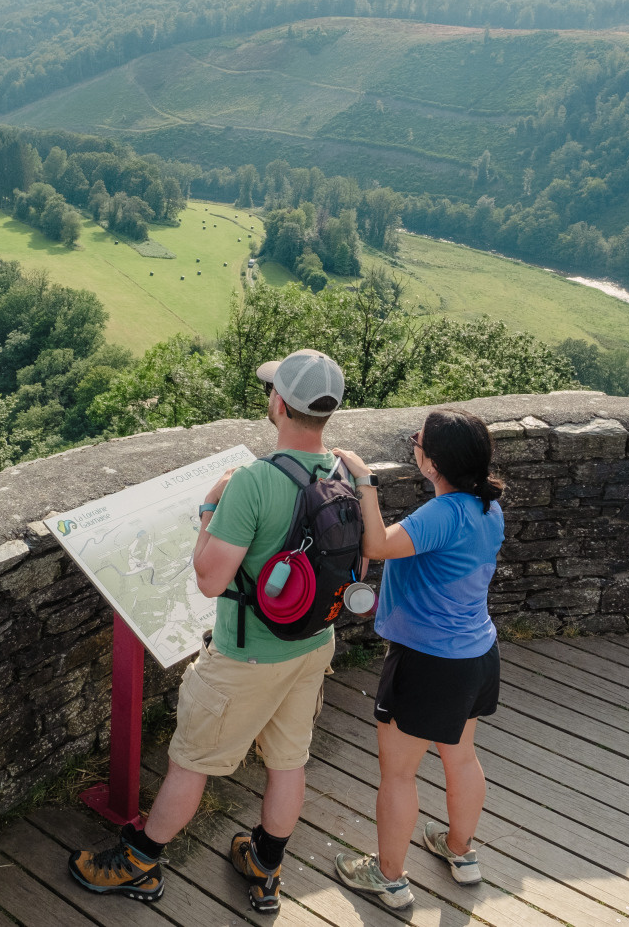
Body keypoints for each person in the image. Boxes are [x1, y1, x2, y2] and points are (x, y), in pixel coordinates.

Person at [69, 349, 353, 913]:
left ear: (279, 403)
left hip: (245, 658)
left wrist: (208, 506)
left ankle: (140, 861)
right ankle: (265, 867)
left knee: (191, 761)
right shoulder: (344, 470)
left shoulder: (252, 482)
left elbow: (208, 579)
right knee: (288, 761)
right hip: (313, 645)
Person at [326, 408, 505, 909]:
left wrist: (364, 481)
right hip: (477, 654)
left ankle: (388, 877)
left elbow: (378, 545)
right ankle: (460, 852)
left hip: (428, 662)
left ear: (432, 463)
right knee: (462, 757)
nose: (414, 445)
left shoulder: (442, 514)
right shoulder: (489, 507)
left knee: (399, 774)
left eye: (416, 440)